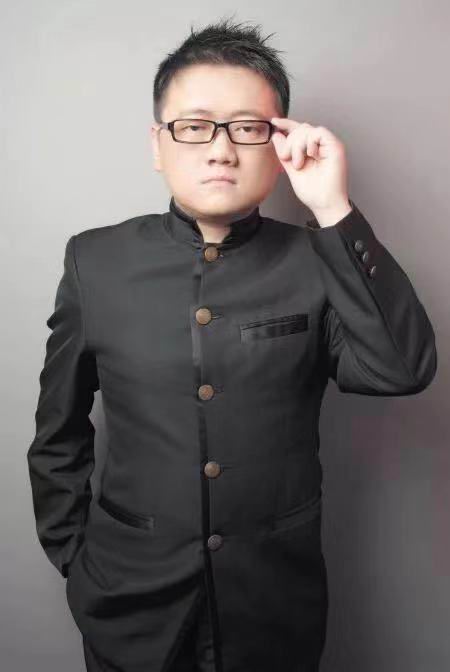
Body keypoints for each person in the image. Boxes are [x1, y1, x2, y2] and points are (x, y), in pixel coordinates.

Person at [27, 15, 437, 672]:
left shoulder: (317, 259)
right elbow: (58, 434)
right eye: (194, 127)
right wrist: (76, 559)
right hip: (129, 601)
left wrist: (333, 209)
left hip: (274, 606)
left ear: (279, 143)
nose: (221, 150)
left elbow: (401, 368)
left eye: (248, 128)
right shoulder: (94, 262)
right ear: (158, 144)